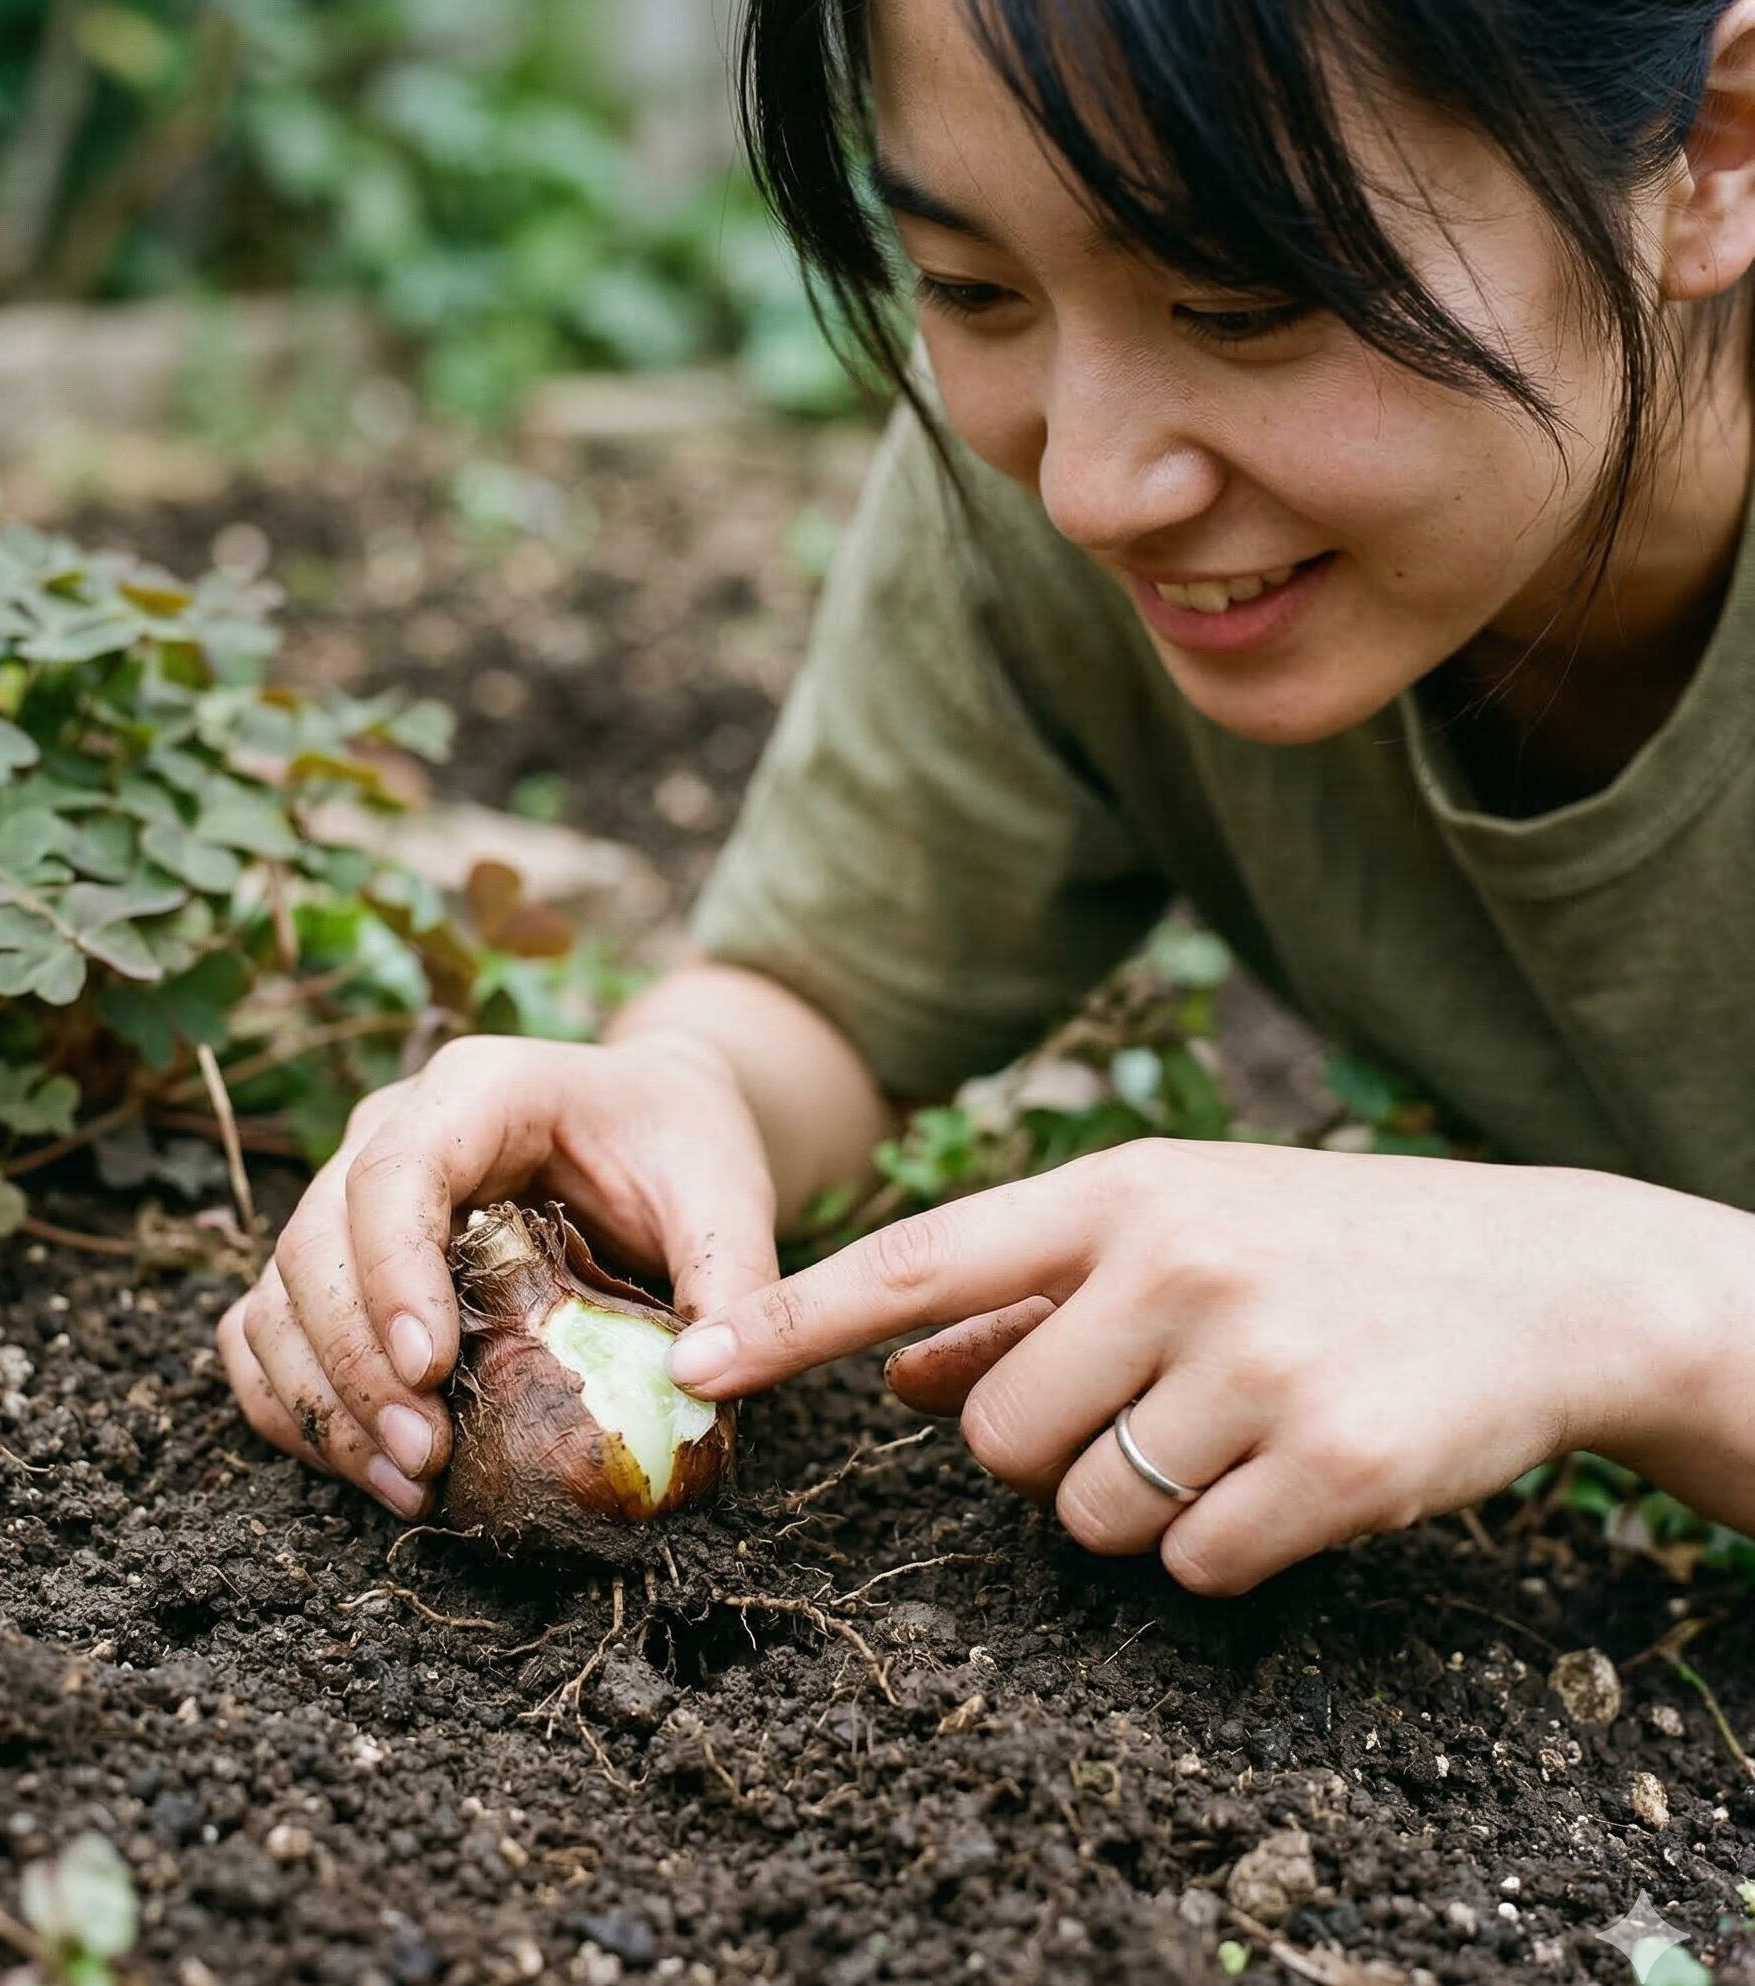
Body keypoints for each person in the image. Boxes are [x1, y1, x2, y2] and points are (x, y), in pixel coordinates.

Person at [217, 0, 1755, 1595]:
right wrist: (682, 1090)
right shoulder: (1071, 500)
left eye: (1240, 303)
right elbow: (835, 992)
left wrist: (1647, 1306)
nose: (1088, 484)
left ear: (1713, 153)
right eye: (968, 286)